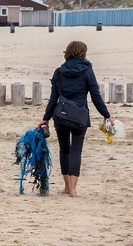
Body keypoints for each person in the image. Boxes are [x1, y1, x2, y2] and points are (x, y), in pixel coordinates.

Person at [38, 40, 113, 197]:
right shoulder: (87, 71)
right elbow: (95, 96)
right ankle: (73, 189)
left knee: (64, 150)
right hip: (79, 117)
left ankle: (66, 187)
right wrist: (106, 115)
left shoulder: (59, 72)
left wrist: (46, 118)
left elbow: (53, 99)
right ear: (83, 53)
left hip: (61, 115)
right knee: (76, 150)